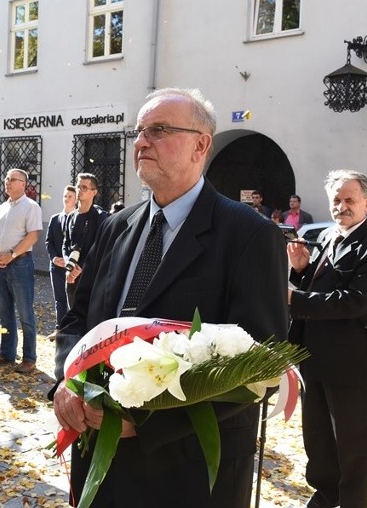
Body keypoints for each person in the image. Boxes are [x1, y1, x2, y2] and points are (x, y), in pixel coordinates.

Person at [53, 88, 289, 507]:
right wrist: (67, 384)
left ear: (201, 145)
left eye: (159, 130)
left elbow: (259, 364)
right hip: (100, 461)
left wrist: (142, 425)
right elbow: (79, 320)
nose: (141, 141)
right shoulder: (117, 226)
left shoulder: (248, 234)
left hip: (187, 470)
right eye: (139, 131)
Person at [287, 169, 367, 508]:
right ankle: (324, 497)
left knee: (352, 448)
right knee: (317, 442)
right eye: (336, 200)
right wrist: (301, 271)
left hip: (350, 365)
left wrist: (293, 298)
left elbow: (355, 302)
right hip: (313, 358)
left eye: (350, 200)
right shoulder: (327, 236)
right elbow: (321, 287)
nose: (342, 206)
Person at [0, 168, 43, 374]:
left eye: (13, 179)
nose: (7, 182)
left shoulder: (31, 206)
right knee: (4, 314)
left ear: (23, 184)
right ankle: (6, 352)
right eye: (7, 179)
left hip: (20, 264)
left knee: (26, 314)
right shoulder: (3, 207)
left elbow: (33, 236)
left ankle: (29, 357)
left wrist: (11, 254)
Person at [63, 173, 109, 308]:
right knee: (72, 315)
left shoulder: (100, 217)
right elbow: (66, 244)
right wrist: (68, 265)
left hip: (90, 277)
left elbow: (100, 246)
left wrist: (81, 267)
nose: (79, 191)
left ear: (94, 192)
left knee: (89, 318)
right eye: (78, 187)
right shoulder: (71, 216)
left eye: (84, 188)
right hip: (71, 275)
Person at [45, 185, 77, 341]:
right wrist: (54, 258)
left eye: (70, 196)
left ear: (76, 199)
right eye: (65, 195)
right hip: (56, 265)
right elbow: (48, 242)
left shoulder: (78, 218)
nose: (67, 198)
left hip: (72, 267)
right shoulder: (55, 218)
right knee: (59, 299)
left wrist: (70, 261)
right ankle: (59, 328)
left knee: (73, 298)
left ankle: (72, 329)